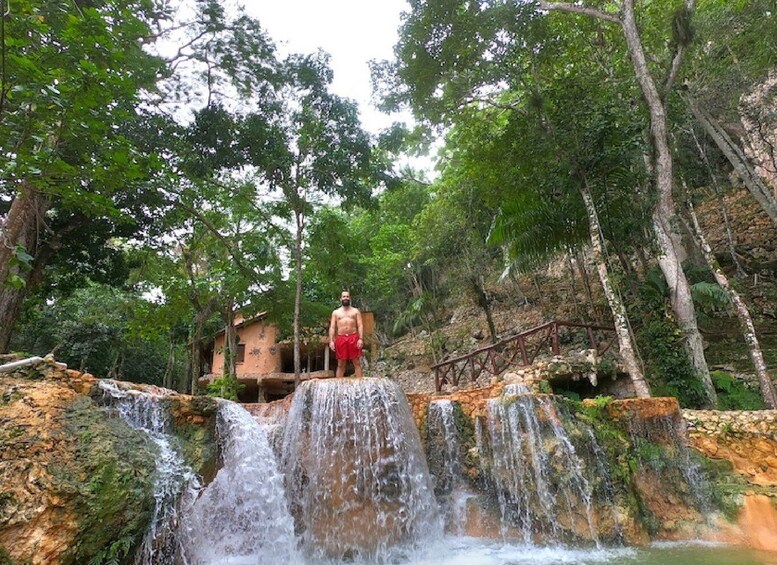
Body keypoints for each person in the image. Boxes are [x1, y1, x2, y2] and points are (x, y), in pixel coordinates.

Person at [329, 290, 364, 378]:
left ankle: (360, 384)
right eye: (344, 297)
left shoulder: (355, 311)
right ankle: (338, 387)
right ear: (341, 298)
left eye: (347, 296)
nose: (346, 298)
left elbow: (360, 325)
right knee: (341, 364)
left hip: (353, 337)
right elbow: (332, 327)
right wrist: (331, 341)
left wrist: (361, 339)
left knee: (356, 362)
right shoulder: (336, 312)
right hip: (341, 338)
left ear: (350, 298)